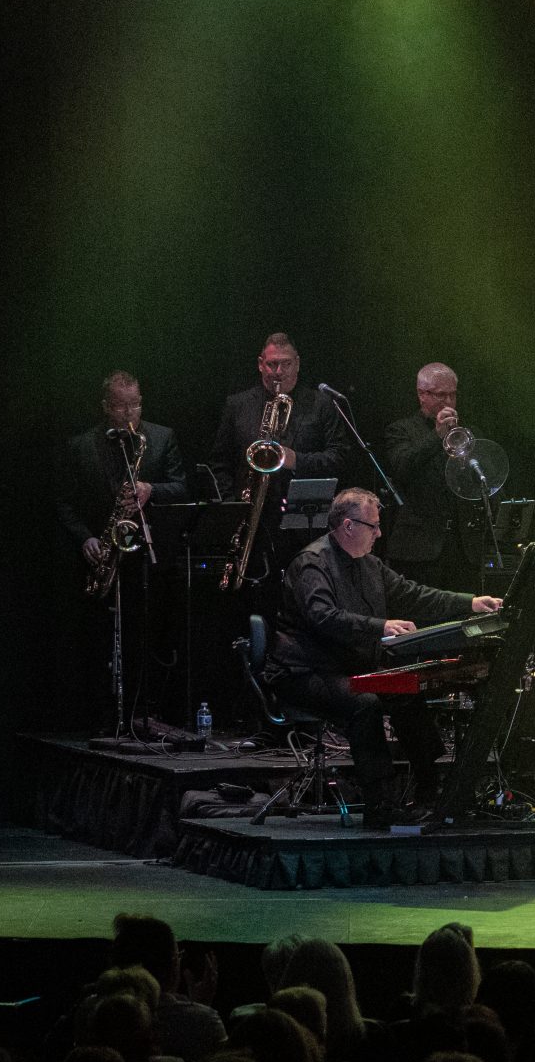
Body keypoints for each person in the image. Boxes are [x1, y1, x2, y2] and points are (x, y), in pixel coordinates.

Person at [268, 487, 502, 825]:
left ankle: (429, 789)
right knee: (364, 704)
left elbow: (415, 595)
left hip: (350, 668)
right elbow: (323, 617)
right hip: (305, 672)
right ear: (348, 526)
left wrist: (470, 603)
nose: (379, 533)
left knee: (407, 689)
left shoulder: (370, 565)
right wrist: (381, 626)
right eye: (373, 526)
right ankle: (380, 805)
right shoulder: (312, 563)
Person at [61, 372, 190, 725]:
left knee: (142, 637)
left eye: (136, 404)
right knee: (97, 639)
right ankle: (100, 712)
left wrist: (151, 489)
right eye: (121, 406)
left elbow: (181, 487)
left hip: (145, 558)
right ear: (106, 406)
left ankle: (141, 710)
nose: (130, 413)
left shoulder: (161, 438)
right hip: (100, 554)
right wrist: (85, 537)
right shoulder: (79, 446)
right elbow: (64, 503)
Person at [382, 363, 493, 592]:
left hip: (463, 548)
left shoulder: (468, 432)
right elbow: (402, 468)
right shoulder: (400, 430)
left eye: (453, 394)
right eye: (441, 395)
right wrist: (437, 436)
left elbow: (487, 478)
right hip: (420, 550)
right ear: (422, 395)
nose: (449, 402)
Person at [208, 332, 343, 495]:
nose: (279, 371)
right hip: (249, 502)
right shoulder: (237, 404)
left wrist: (296, 460)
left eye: (286, 364)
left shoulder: (321, 403)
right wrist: (231, 503)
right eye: (272, 364)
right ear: (260, 364)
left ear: (297, 364)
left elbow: (338, 458)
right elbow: (220, 463)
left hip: (303, 502)